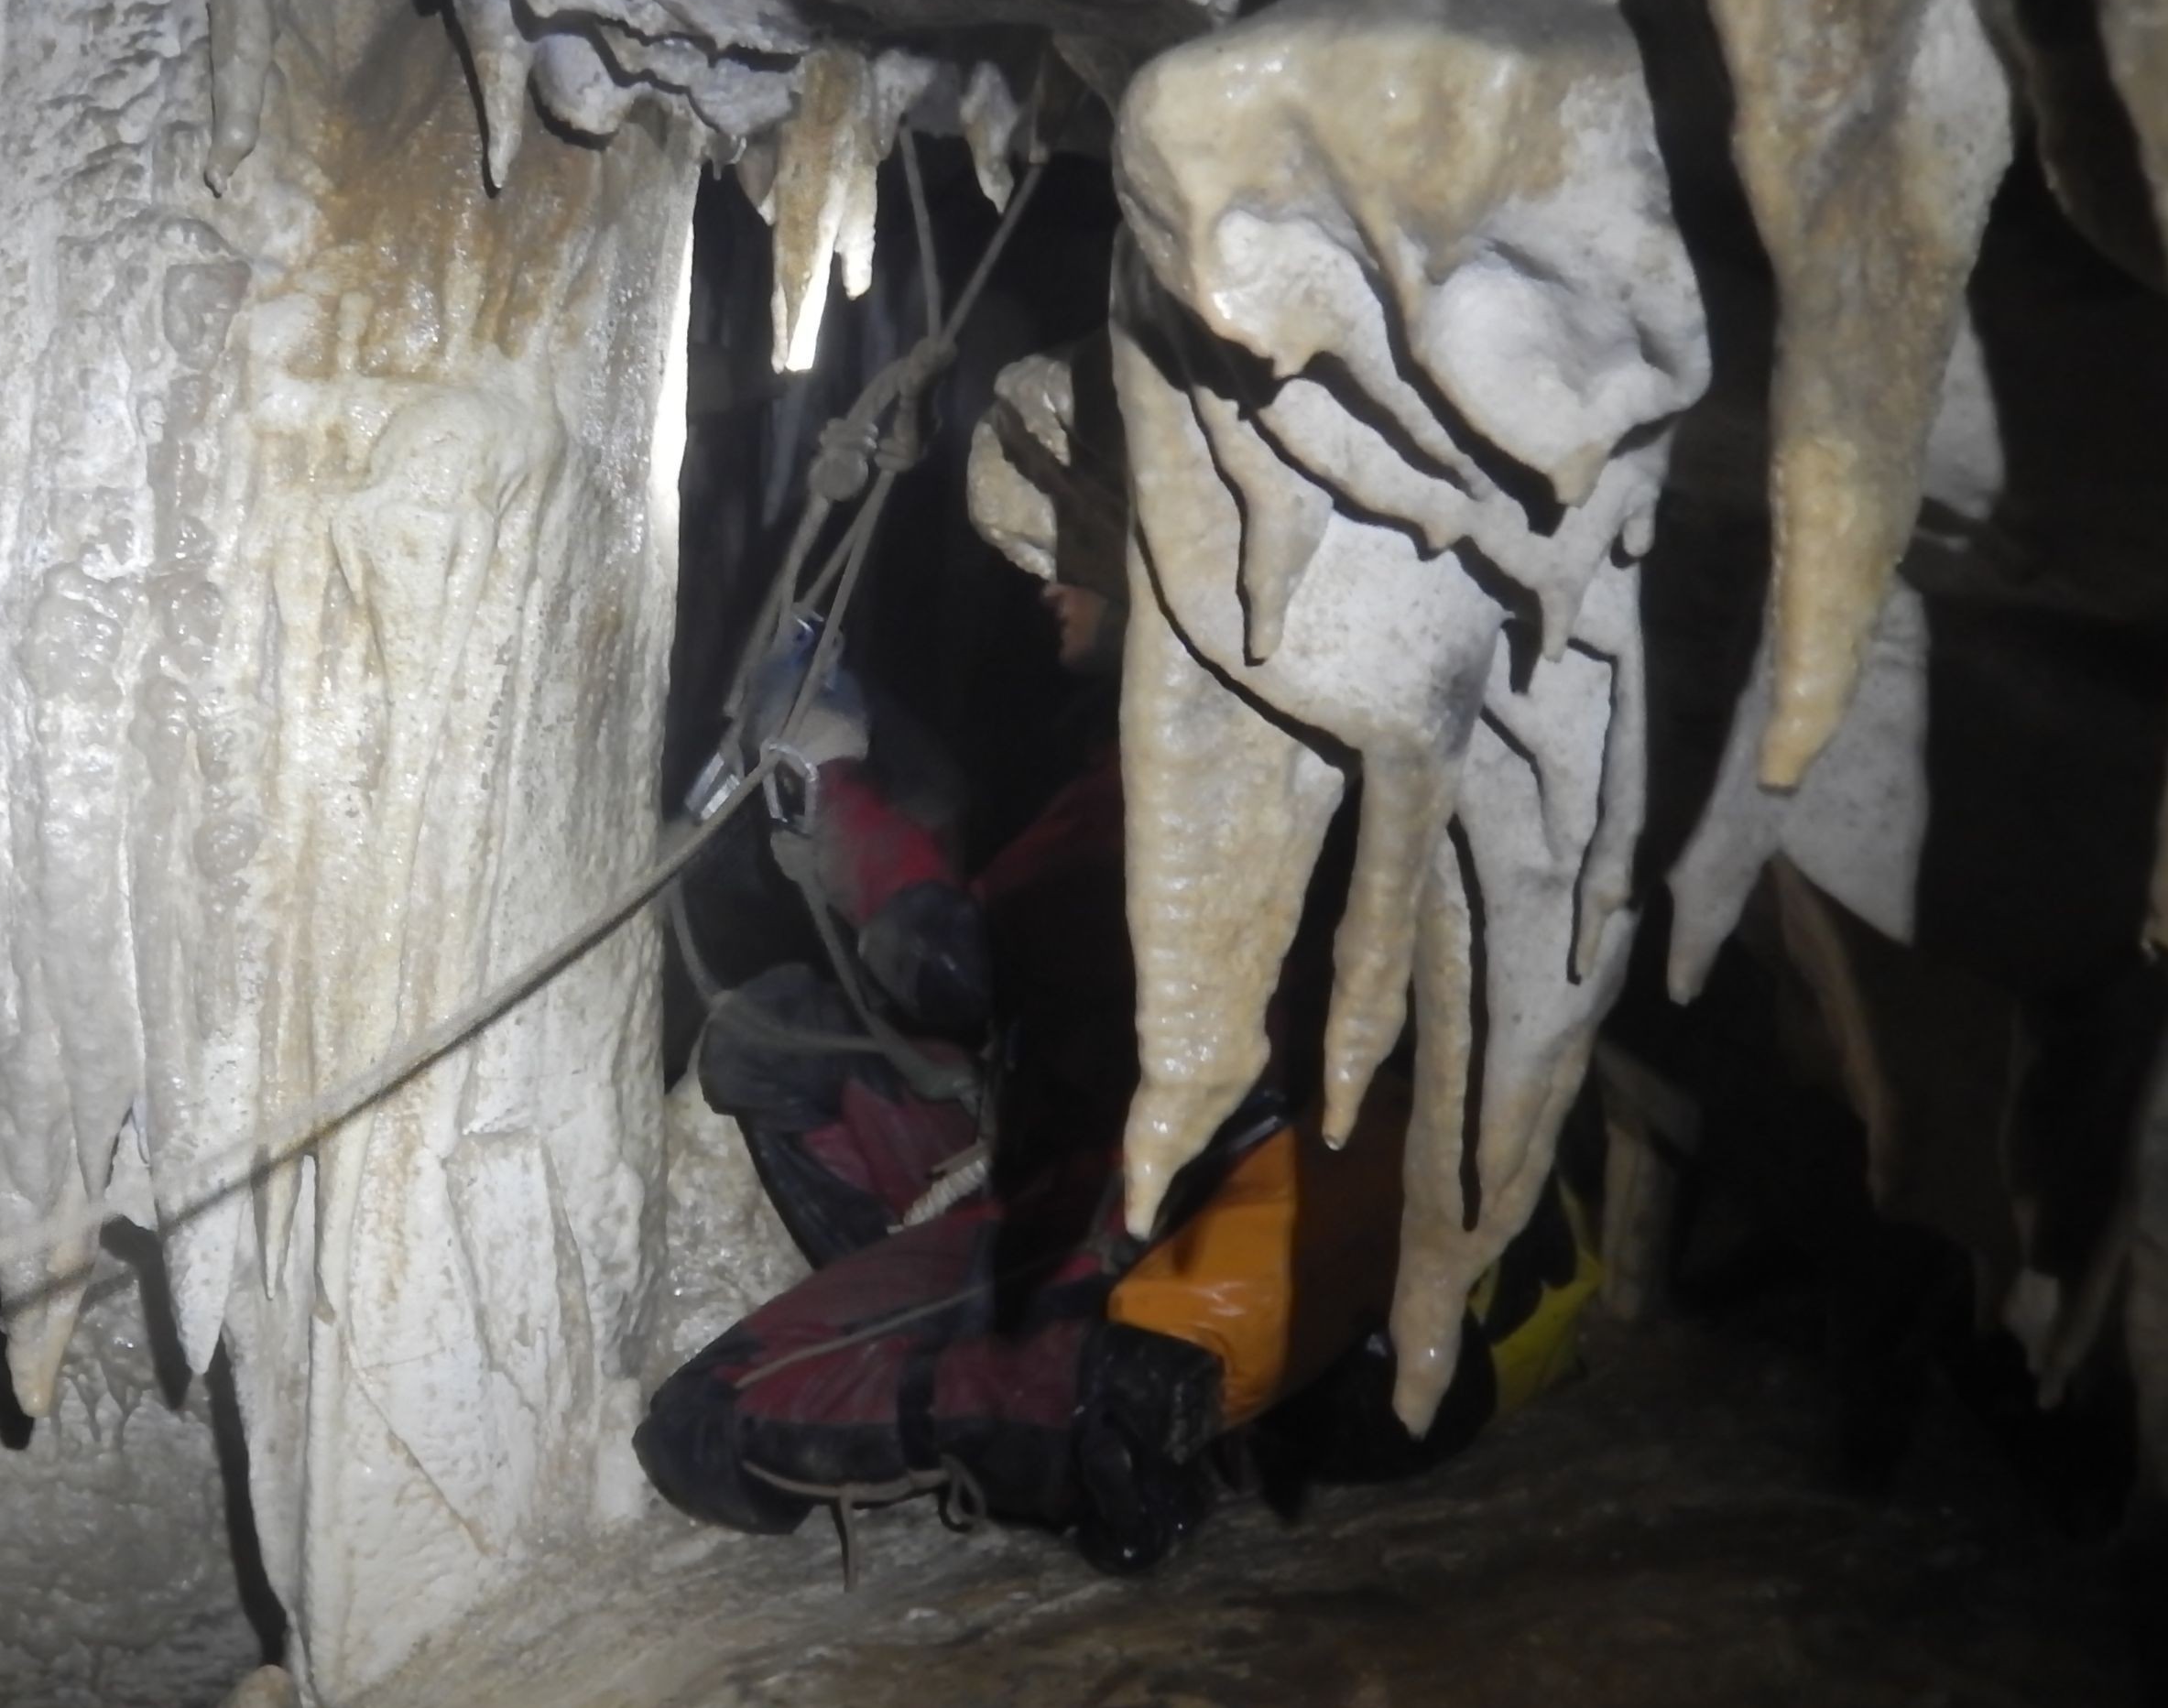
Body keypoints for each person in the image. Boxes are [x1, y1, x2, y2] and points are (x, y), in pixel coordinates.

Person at [638, 361, 1596, 1575]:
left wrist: (834, 791)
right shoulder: (1140, 757)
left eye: (1078, 550)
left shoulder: (1233, 761)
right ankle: (1003, 1360)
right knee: (778, 1042)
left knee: (708, 1425)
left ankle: (1093, 1412)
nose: (1045, 582)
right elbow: (1018, 961)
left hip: (1218, 1258)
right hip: (1112, 1178)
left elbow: (958, 968)